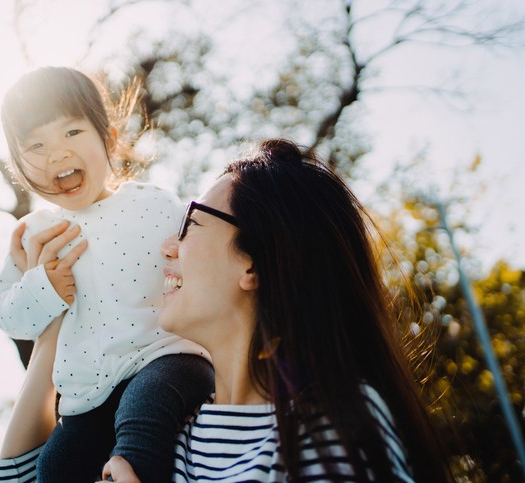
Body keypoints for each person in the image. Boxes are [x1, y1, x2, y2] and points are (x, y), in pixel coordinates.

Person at [98, 138, 453, 482]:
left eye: (190, 223)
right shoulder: (162, 432)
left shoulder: (332, 423)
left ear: (253, 264)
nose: (168, 249)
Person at [0, 66, 213, 483]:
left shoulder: (153, 204)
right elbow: (7, 315)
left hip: (166, 360)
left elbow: (205, 257)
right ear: (20, 169)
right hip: (86, 397)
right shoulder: (34, 233)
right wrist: (42, 289)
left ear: (109, 140)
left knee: (142, 417)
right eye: (36, 145)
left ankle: (133, 473)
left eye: (72, 133)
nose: (57, 153)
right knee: (54, 468)